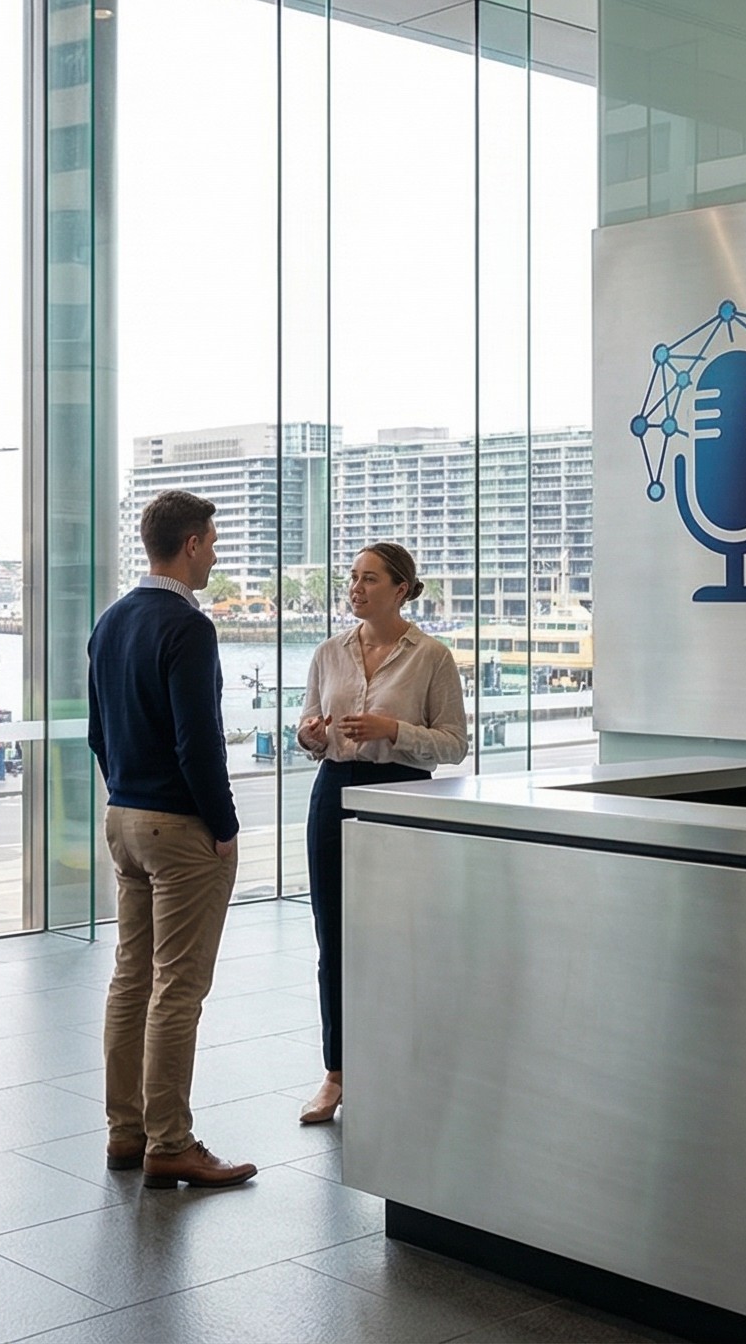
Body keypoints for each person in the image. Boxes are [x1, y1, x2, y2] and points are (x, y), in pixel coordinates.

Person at [90, 489, 257, 1190]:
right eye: (212, 542)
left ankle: (125, 1132)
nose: (215, 554)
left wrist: (128, 792)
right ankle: (171, 1142)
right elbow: (199, 744)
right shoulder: (188, 627)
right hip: (180, 830)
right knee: (178, 989)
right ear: (190, 545)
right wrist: (224, 825)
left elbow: (98, 732)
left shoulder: (111, 620)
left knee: (131, 978)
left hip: (124, 819)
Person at [294, 542, 468, 1126]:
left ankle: (402, 1063)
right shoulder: (328, 652)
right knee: (333, 936)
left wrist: (393, 729)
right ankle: (337, 1073)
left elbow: (454, 744)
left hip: (402, 796)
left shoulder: (432, 657)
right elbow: (309, 727)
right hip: (333, 792)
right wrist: (311, 736)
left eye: (369, 578)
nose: (356, 588)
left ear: (401, 588)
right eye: (352, 577)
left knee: (401, 936)